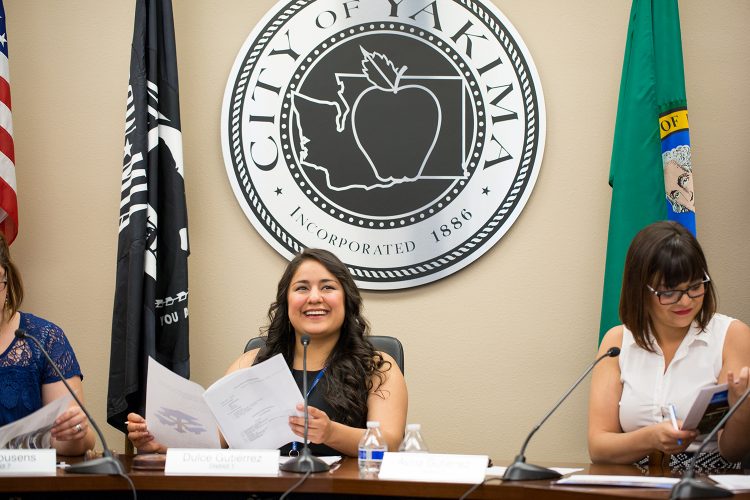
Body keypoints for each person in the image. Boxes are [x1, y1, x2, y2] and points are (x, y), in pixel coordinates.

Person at [128, 248, 408, 456]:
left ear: (347, 300)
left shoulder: (377, 366)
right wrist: (163, 444)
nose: (314, 298)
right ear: (286, 303)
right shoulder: (252, 362)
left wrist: (331, 433)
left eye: (328, 288)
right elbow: (216, 440)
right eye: (301, 288)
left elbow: (389, 442)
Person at [589, 221, 750, 469]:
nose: (686, 300)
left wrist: (742, 408)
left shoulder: (732, 335)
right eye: (669, 292)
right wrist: (650, 438)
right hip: (631, 482)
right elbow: (598, 448)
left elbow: (734, 453)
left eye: (695, 287)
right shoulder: (617, 341)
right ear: (641, 290)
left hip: (706, 481)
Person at [0, 233, 95, 455]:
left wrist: (71, 435)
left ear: (7, 282)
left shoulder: (43, 338)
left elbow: (84, 439)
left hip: (27, 485)